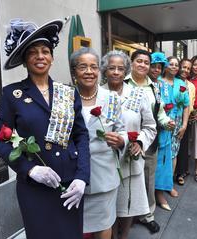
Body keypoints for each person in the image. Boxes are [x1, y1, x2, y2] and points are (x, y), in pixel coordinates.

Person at [0, 19, 90, 239]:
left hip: (70, 186)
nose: (40, 56)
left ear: (52, 57)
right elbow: (1, 141)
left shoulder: (68, 92)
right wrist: (30, 169)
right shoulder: (12, 94)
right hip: (34, 188)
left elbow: (81, 135)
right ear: (24, 60)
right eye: (33, 52)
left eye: (45, 51)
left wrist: (82, 177)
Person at [70, 47, 128, 239]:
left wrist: (120, 141)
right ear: (74, 72)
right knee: (74, 225)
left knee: (104, 223)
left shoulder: (111, 98)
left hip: (104, 174)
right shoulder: (64, 98)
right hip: (72, 175)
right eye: (83, 67)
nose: (89, 71)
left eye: (93, 67)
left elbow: (123, 131)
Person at [101, 50, 157, 239]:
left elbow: (150, 127)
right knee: (108, 207)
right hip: (103, 161)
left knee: (126, 206)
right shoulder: (97, 93)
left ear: (126, 70)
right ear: (105, 71)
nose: (116, 72)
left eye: (120, 68)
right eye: (111, 68)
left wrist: (140, 142)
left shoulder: (138, 94)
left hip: (129, 161)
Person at [125, 50, 175, 233]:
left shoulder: (155, 88)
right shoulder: (121, 83)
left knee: (148, 179)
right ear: (131, 62)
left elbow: (159, 112)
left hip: (148, 140)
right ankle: (125, 215)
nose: (143, 65)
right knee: (124, 178)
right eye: (139, 61)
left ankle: (147, 215)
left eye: (146, 62)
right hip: (124, 140)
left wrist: (166, 122)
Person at [155, 56, 189, 209]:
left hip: (177, 121)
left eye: (177, 65)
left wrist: (185, 125)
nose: (175, 67)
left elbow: (186, 105)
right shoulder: (158, 81)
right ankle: (157, 186)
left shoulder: (181, 83)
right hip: (160, 121)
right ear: (165, 66)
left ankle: (168, 184)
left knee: (173, 153)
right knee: (161, 153)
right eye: (171, 64)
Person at [175, 58, 195, 185]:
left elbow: (191, 103)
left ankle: (180, 173)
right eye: (183, 67)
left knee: (183, 147)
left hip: (185, 118)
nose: (185, 70)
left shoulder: (191, 85)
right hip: (172, 117)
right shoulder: (173, 81)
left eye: (188, 68)